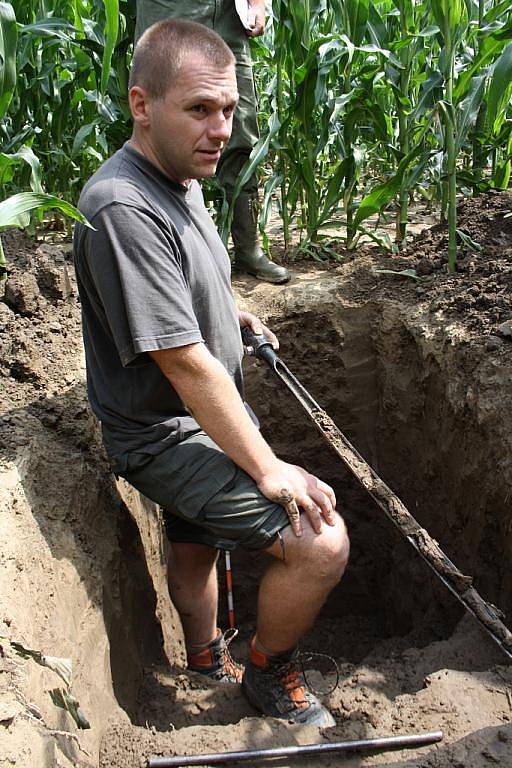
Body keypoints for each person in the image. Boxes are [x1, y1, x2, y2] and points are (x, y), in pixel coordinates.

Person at [73, 19, 349, 727]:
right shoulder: (122, 206)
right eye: (199, 108)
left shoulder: (181, 172)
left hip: (194, 416)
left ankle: (204, 656)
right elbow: (183, 361)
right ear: (142, 104)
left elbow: (186, 280)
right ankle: (269, 672)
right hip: (165, 433)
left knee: (196, 551)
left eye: (227, 109)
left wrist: (232, 312)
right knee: (320, 546)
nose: (220, 128)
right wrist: (267, 467)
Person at [134, 0, 290, 284]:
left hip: (230, 18)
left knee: (241, 133)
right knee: (170, 137)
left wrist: (256, 4)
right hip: (172, 12)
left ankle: (248, 249)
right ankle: (166, 255)